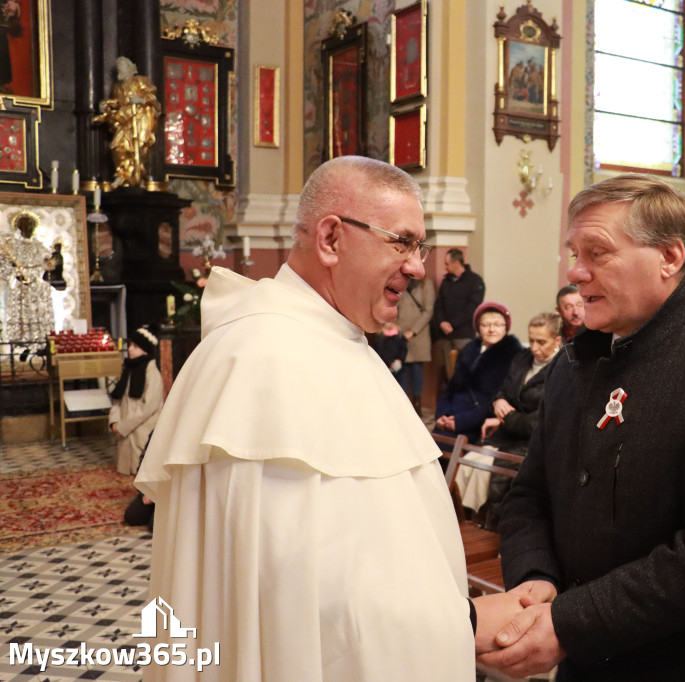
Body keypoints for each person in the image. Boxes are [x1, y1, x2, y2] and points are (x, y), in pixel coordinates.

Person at [134, 156, 521, 681]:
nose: (415, 266)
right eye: (402, 242)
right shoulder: (263, 362)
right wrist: (463, 622)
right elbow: (302, 604)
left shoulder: (332, 338)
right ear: (332, 239)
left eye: (420, 247)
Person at [481, 174, 685, 680]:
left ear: (670, 258)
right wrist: (534, 578)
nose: (575, 272)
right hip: (590, 662)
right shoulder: (576, 363)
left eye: (598, 253)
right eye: (573, 252)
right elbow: (530, 494)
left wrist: (569, 624)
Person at [469, 311, 562, 528]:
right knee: (470, 462)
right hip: (508, 434)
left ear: (557, 340)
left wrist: (506, 417)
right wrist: (498, 401)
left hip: (534, 442)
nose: (534, 347)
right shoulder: (522, 357)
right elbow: (504, 389)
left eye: (541, 342)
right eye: (531, 340)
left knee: (486, 470)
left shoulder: (564, 367)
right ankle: (471, 519)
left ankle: (491, 526)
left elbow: (538, 423)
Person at [434, 301, 520, 443]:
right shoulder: (470, 349)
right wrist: (441, 415)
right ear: (478, 329)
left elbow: (496, 402)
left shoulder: (513, 356)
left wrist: (460, 422)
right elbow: (451, 388)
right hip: (451, 416)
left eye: (498, 324)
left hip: (477, 423)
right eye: (485, 325)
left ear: (506, 328)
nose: (492, 329)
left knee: (439, 450)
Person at [94, 56, 161, 188]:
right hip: (124, 120)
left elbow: (152, 97)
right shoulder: (117, 87)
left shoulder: (139, 81)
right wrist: (106, 104)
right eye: (119, 68)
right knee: (117, 146)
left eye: (122, 67)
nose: (120, 70)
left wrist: (141, 100)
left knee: (138, 147)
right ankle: (122, 175)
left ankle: (137, 176)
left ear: (130, 68)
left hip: (140, 119)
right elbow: (117, 102)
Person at [108, 327, 164, 475]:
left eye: (135, 346)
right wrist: (114, 422)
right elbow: (117, 399)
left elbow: (148, 408)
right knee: (127, 473)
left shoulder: (153, 374)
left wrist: (124, 427)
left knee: (141, 470)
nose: (130, 349)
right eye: (131, 345)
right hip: (125, 428)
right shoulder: (128, 370)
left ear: (145, 350)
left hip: (141, 429)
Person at [0, 211, 55, 349]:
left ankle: (40, 342)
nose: (28, 228)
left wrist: (45, 267)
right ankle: (20, 342)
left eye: (31, 225)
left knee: (37, 312)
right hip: (19, 285)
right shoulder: (12, 246)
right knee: (20, 314)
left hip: (36, 285)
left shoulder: (39, 246)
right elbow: (5, 265)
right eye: (25, 225)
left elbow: (47, 263)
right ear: (20, 227)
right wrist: (14, 271)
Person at [432, 247, 485, 362]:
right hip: (446, 336)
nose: (445, 267)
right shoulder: (446, 281)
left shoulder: (475, 281)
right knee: (449, 372)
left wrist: (451, 324)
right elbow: (439, 304)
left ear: (456, 263)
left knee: (465, 371)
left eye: (447, 263)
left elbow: (472, 307)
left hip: (464, 335)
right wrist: (441, 322)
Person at [395, 275, 434, 413]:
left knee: (417, 369)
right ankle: (403, 407)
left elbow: (428, 311)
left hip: (419, 333)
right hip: (401, 333)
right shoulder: (400, 281)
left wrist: (413, 330)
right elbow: (395, 304)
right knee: (402, 370)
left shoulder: (426, 284)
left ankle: (417, 405)